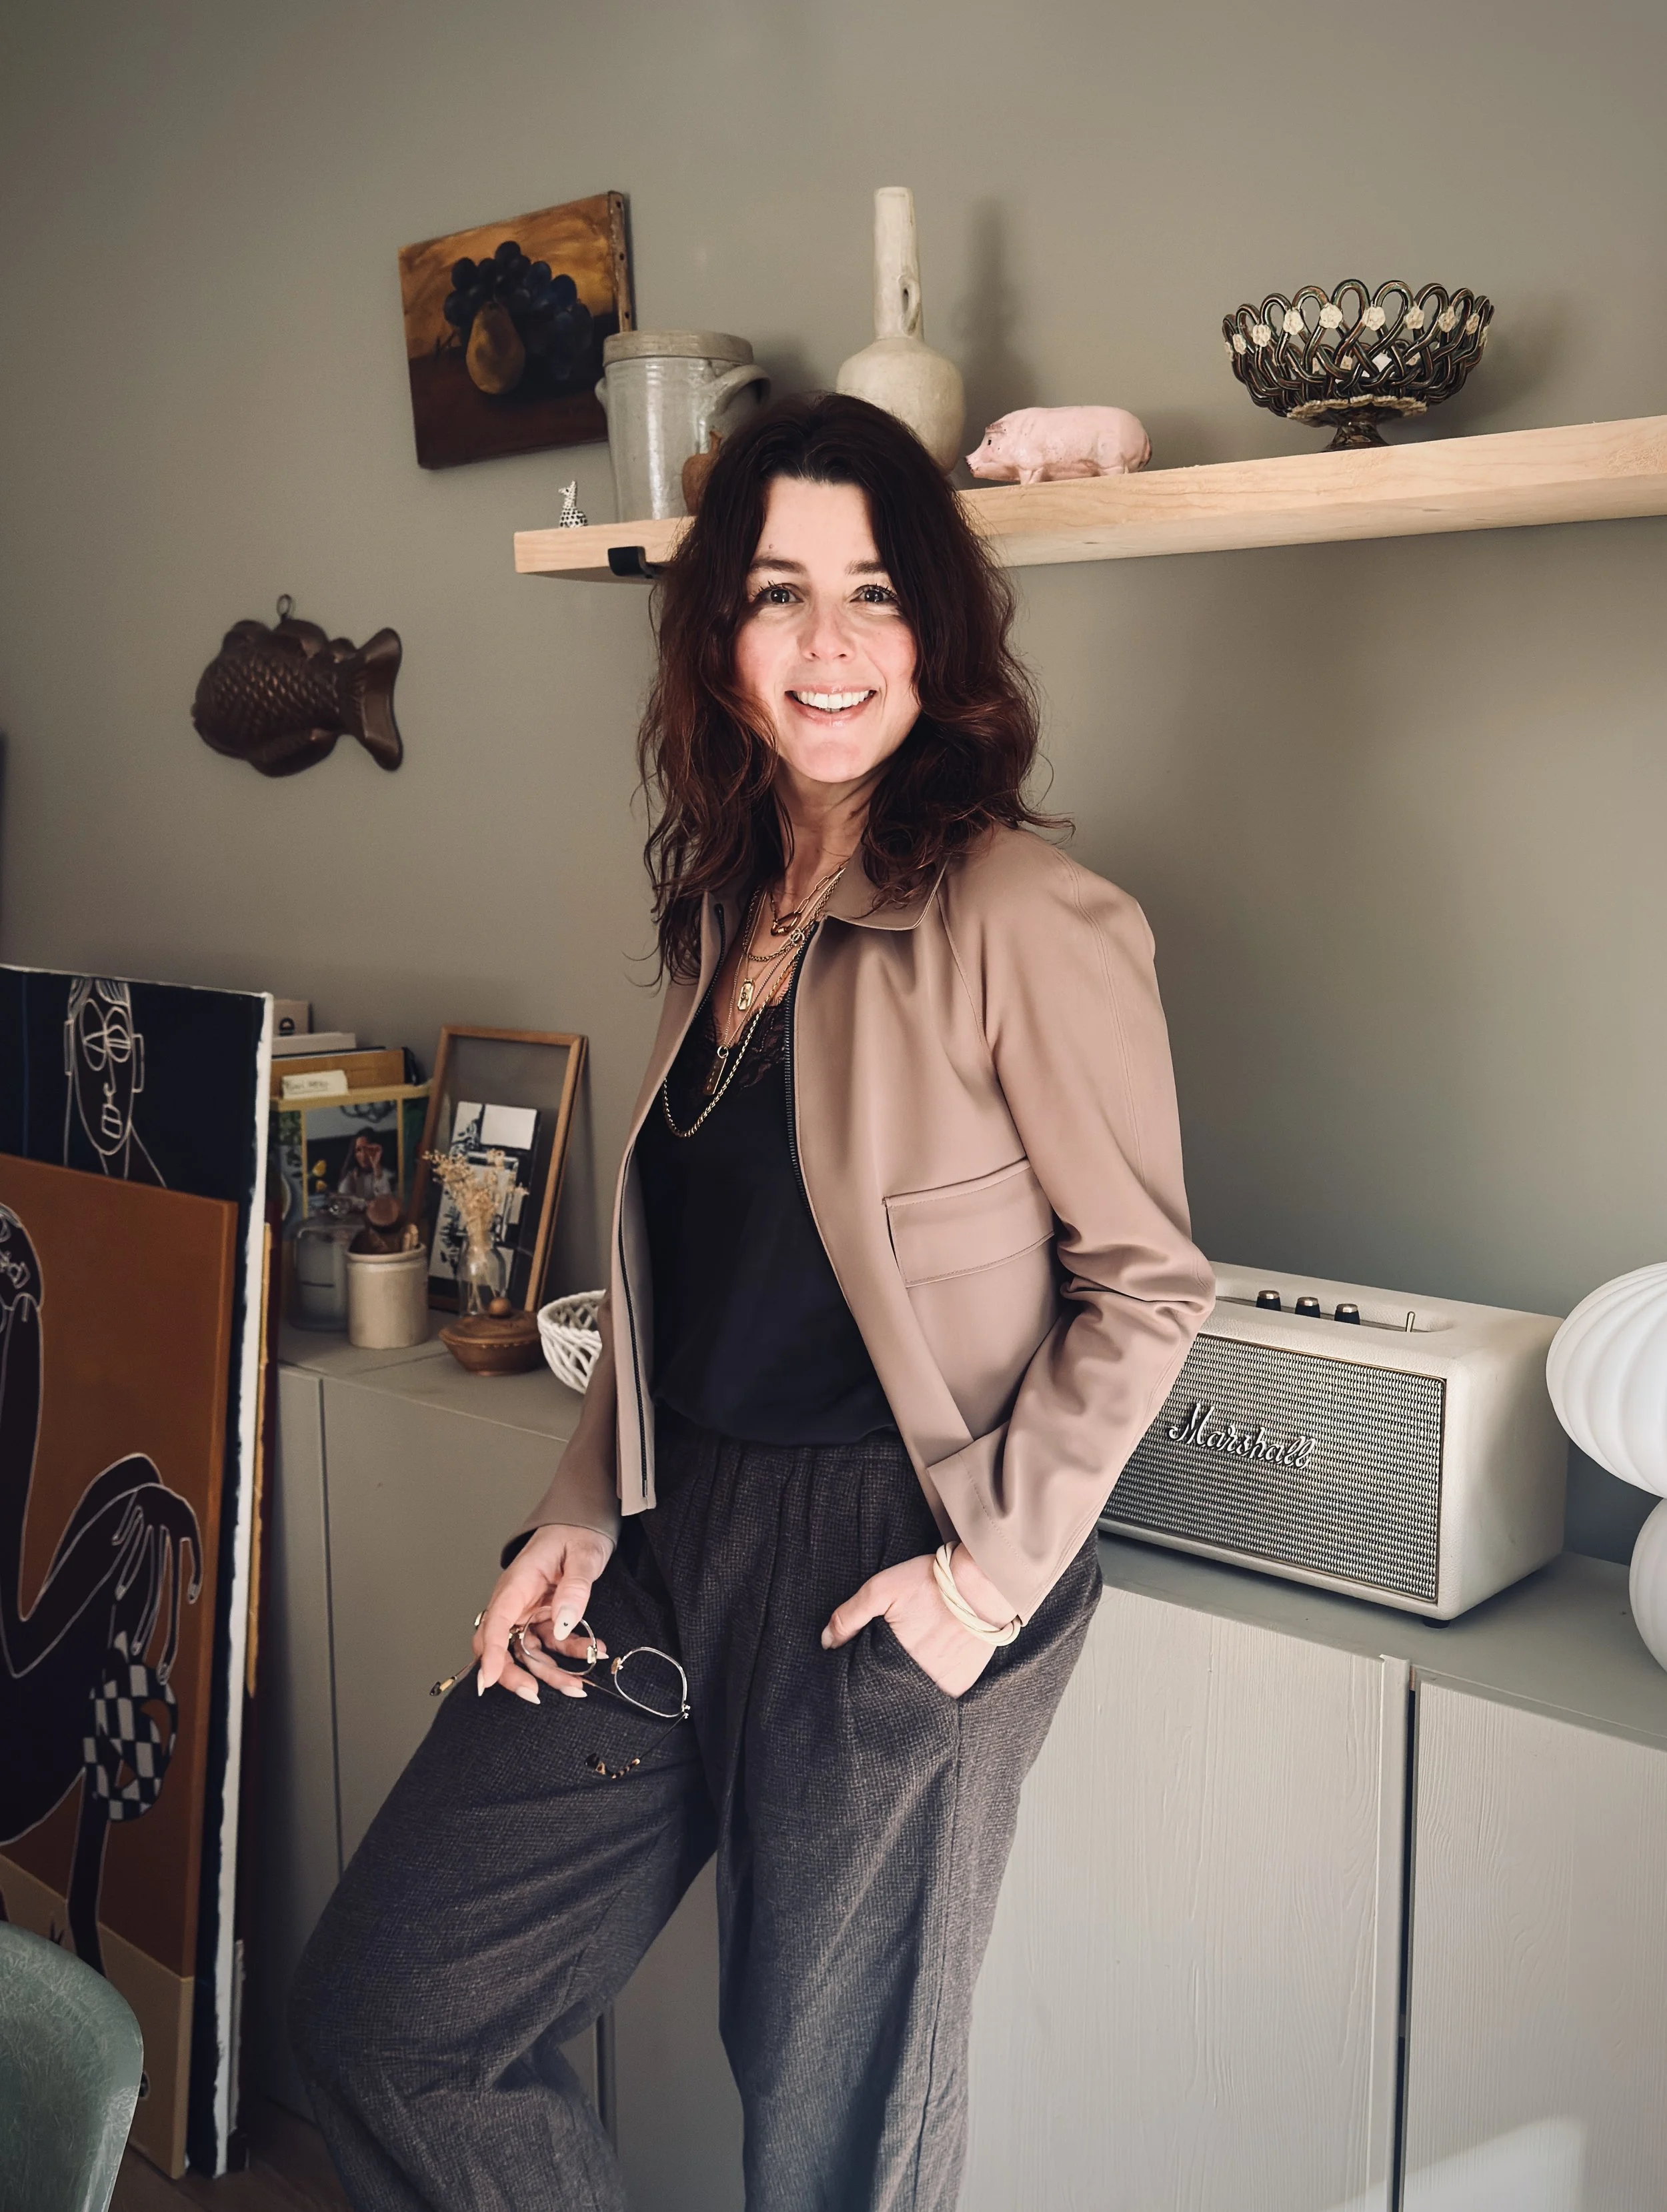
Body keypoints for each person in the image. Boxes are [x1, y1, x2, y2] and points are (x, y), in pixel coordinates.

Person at [290, 392, 1214, 2211]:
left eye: (872, 594)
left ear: (934, 636)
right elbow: (682, 1280)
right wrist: (575, 1507)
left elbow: (1146, 1282)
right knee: (392, 2010)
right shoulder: (725, 898)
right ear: (718, 644)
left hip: (892, 1551)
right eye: (779, 593)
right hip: (664, 1519)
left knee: (833, 2149)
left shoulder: (1026, 913)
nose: (826, 643)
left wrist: (979, 1587)